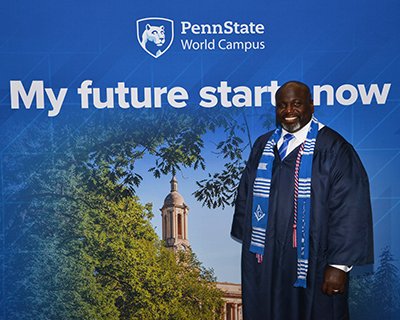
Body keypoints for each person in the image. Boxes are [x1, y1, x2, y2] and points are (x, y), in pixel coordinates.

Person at [231, 81, 374, 320]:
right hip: (267, 259)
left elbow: (350, 207)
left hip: (315, 262)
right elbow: (246, 196)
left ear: (311, 106)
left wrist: (339, 265)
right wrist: (250, 246)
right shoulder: (263, 146)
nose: (289, 111)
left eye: (296, 104)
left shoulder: (334, 148)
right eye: (282, 105)